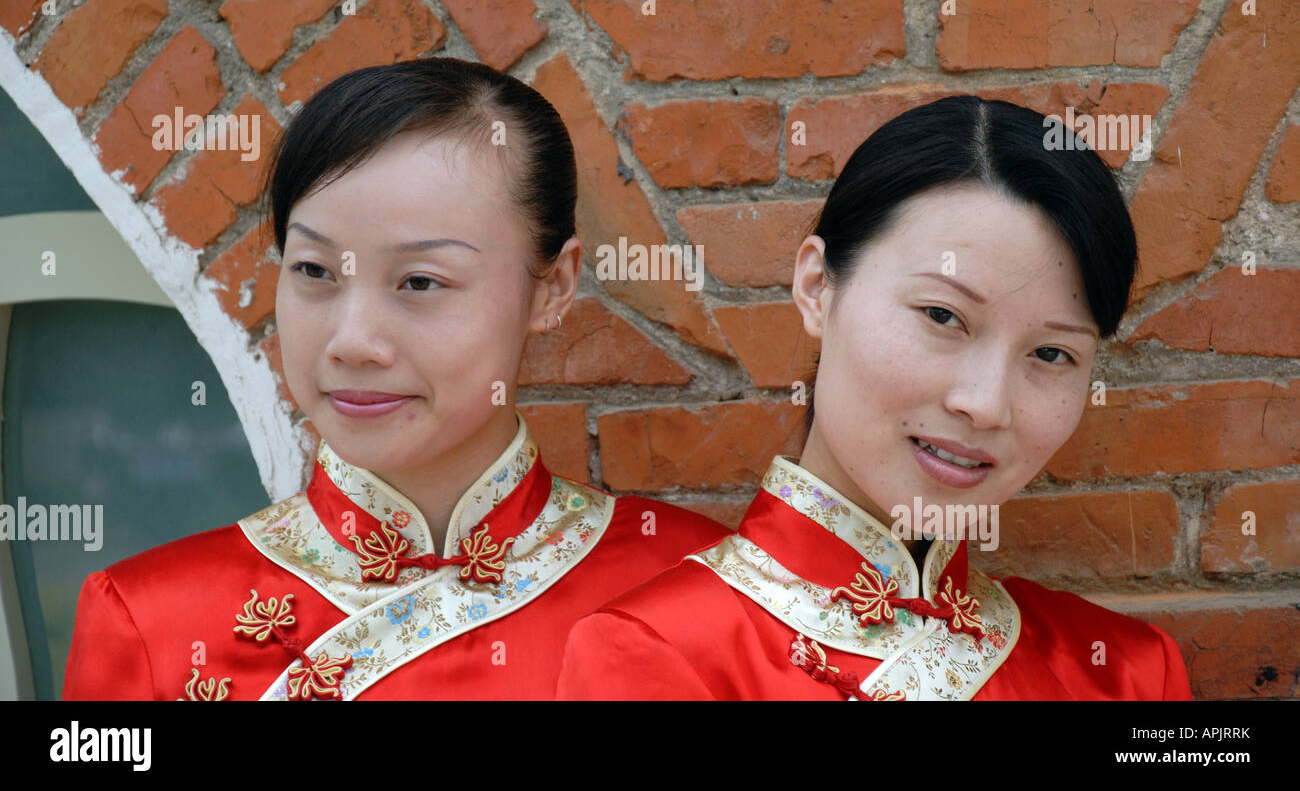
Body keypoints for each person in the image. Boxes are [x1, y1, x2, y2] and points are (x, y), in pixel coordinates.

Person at [62, 57, 727, 700]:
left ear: (552, 287)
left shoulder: (698, 590)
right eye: (315, 271)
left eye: (419, 282)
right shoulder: (149, 622)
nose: (353, 342)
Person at [557, 95, 1194, 700]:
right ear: (816, 285)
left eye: (1051, 354)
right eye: (943, 316)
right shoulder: (661, 653)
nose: (986, 404)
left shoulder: (1128, 671)